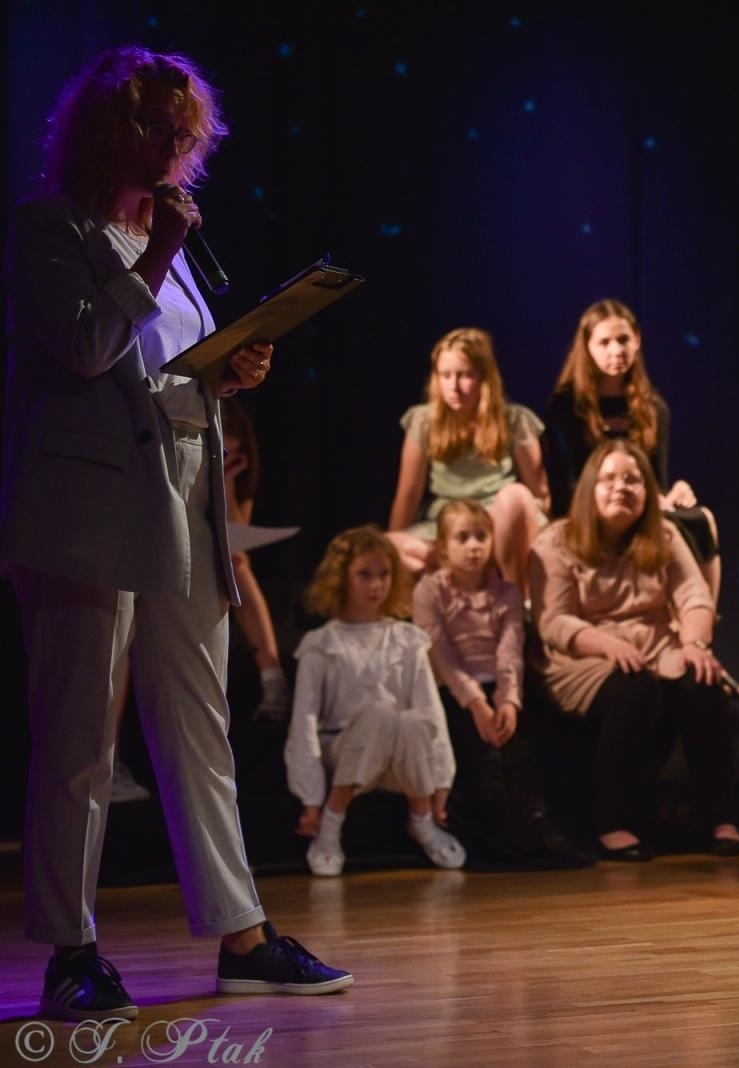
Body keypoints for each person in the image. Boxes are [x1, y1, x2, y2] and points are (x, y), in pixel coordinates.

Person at [1, 45, 351, 1021]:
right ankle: (72, 952)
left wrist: (227, 369)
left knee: (198, 724)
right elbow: (81, 349)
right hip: (83, 515)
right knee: (78, 737)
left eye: (181, 133)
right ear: (107, 130)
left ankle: (244, 936)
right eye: (151, 128)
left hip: (182, 498)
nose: (169, 149)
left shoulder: (176, 236)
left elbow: (168, 364)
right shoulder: (48, 227)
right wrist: (154, 255)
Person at [529, 440, 739, 860]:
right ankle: (613, 822)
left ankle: (722, 817)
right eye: (609, 478)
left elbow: (694, 595)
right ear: (590, 487)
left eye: (632, 479)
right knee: (633, 689)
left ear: (648, 491)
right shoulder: (555, 541)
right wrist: (607, 645)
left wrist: (696, 645)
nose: (621, 487)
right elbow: (553, 621)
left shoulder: (663, 534)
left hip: (654, 646)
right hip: (581, 656)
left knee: (701, 680)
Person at [412, 500, 585, 866]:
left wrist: (508, 701)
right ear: (443, 546)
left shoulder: (504, 592)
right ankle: (499, 838)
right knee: (483, 757)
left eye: (481, 536)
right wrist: (477, 703)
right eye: (462, 537)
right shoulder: (429, 591)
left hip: (500, 687)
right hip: (455, 692)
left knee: (522, 749)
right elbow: (441, 656)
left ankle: (538, 827)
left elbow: (510, 651)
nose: (474, 545)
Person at [286, 526, 464, 876]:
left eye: (383, 574)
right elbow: (303, 722)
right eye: (364, 575)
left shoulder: (406, 639)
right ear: (342, 578)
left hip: (399, 753)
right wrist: (310, 797)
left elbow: (432, 712)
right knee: (379, 712)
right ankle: (330, 825)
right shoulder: (322, 643)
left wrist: (442, 781)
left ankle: (422, 818)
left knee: (412, 720)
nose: (376, 585)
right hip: (345, 750)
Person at [541, 300, 724, 605]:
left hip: (638, 506)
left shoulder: (653, 408)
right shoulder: (566, 407)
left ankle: (702, 623)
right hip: (587, 510)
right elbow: (565, 486)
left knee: (701, 519)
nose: (616, 350)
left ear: (637, 340)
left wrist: (673, 493)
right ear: (587, 347)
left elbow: (656, 482)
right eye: (605, 342)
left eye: (623, 340)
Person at [386, 326, 549, 596]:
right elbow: (408, 494)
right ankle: (462, 590)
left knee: (516, 496)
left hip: (498, 525)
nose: (453, 386)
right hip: (446, 527)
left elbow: (541, 494)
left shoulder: (515, 419)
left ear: (484, 378)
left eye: (464, 376)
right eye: (445, 375)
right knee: (385, 547)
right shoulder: (424, 420)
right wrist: (389, 551)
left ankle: (517, 606)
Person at [221, 396, 289, 717]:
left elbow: (236, 537)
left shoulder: (236, 473)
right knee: (236, 565)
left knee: (238, 564)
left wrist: (227, 481)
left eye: (232, 457)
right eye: (221, 455)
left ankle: (272, 677)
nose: (226, 461)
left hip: (221, 556)